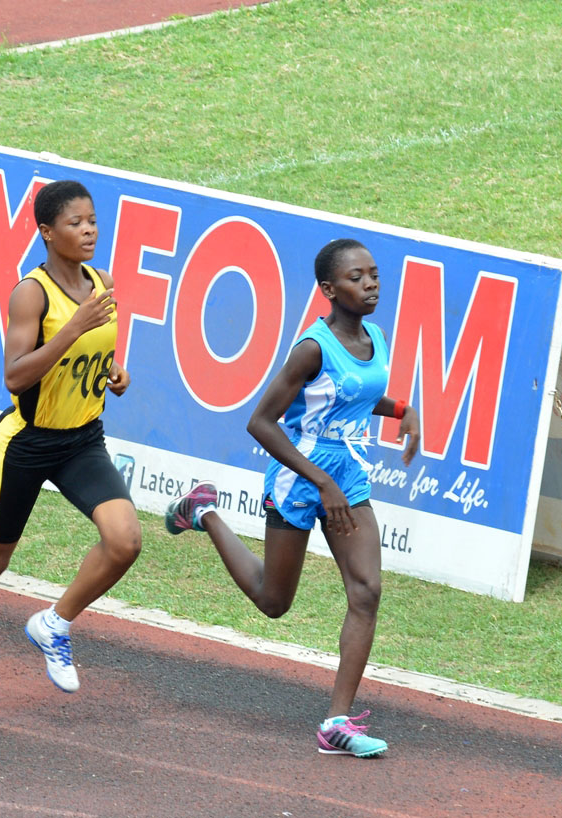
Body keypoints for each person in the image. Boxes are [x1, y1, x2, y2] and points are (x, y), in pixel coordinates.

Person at [165, 238, 420, 758]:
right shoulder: (312, 347)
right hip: (299, 479)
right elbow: (260, 422)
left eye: (373, 274)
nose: (370, 283)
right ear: (329, 289)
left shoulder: (376, 336)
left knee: (367, 591)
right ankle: (204, 510)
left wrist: (400, 409)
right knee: (274, 601)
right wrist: (318, 482)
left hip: (346, 476)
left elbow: (355, 398)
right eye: (356, 277)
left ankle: (336, 723)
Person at [0, 181, 139, 707]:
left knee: (125, 541)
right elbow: (14, 376)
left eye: (93, 221)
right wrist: (72, 330)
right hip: (28, 443)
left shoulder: (100, 282)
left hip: (82, 440)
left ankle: (54, 624)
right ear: (47, 232)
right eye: (76, 222)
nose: (89, 230)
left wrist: (112, 372)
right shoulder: (30, 293)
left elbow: (94, 354)